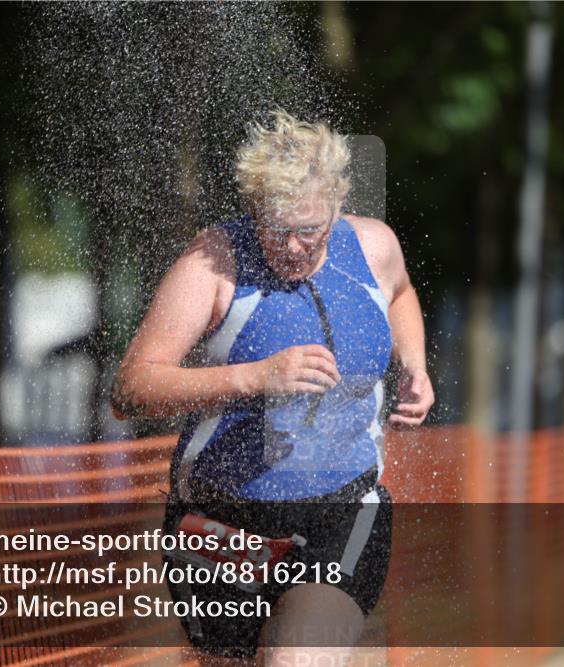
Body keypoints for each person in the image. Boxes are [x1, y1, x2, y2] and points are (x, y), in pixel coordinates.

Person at [112, 110, 433, 665]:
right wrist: (256, 377)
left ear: (336, 205)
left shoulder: (374, 247)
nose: (290, 247)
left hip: (342, 507)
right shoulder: (212, 262)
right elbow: (131, 389)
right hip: (218, 521)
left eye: (309, 229)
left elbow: (400, 293)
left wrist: (415, 363)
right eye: (274, 227)